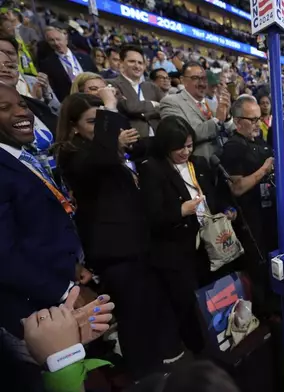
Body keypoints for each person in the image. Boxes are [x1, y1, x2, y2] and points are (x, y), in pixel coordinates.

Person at [54, 90, 173, 378]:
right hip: (115, 251)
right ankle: (144, 377)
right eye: (92, 121)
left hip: (135, 245)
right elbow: (101, 160)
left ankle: (153, 371)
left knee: (145, 311)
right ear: (73, 127)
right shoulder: (73, 156)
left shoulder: (105, 151)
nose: (100, 127)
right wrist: (109, 105)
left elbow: (144, 147)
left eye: (101, 120)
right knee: (133, 318)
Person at [139, 116, 236, 356]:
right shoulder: (152, 169)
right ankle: (199, 350)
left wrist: (226, 210)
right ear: (165, 145)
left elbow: (212, 195)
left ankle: (221, 340)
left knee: (213, 294)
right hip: (176, 249)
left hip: (208, 243)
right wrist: (181, 211)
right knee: (187, 305)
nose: (185, 151)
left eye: (189, 145)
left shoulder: (199, 163)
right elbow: (150, 216)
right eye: (179, 147)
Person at [0, 83, 79, 339]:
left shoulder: (22, 155)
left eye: (22, 104)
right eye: (4, 108)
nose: (21, 112)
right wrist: (64, 290)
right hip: (35, 308)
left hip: (61, 282)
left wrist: (72, 267)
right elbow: (4, 256)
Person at [220, 95, 275, 310]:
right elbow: (237, 187)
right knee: (258, 269)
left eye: (259, 119)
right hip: (248, 218)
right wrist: (263, 170)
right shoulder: (233, 147)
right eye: (252, 120)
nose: (257, 124)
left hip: (268, 213)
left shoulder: (259, 140)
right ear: (237, 120)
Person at [159, 61, 230, 159]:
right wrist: (217, 120)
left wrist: (227, 117)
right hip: (195, 163)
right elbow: (182, 137)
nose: (201, 83)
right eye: (195, 78)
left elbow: (233, 130)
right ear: (183, 80)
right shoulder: (170, 102)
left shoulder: (213, 104)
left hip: (222, 161)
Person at [109, 45, 164, 138]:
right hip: (133, 140)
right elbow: (128, 107)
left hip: (159, 137)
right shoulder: (111, 84)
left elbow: (166, 106)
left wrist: (142, 112)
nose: (137, 66)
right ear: (121, 63)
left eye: (140, 63)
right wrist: (153, 104)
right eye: (132, 61)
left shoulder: (152, 86)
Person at [39, 26, 97, 101]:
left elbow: (96, 75)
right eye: (51, 40)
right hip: (69, 101)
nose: (56, 43)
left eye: (58, 39)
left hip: (91, 97)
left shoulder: (85, 57)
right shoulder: (47, 64)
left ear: (66, 40)